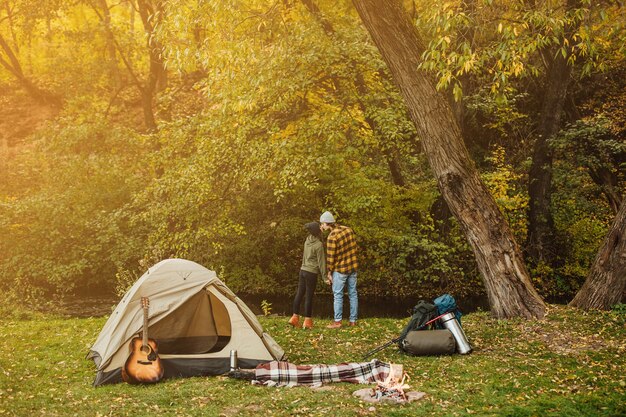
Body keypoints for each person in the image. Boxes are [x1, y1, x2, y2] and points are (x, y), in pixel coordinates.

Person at [319, 211, 358, 328]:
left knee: (338, 295)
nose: (321, 226)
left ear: (327, 224)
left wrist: (329, 273)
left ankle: (337, 322)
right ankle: (353, 321)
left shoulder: (332, 237)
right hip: (353, 267)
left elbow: (330, 258)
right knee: (353, 293)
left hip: (340, 270)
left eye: (322, 224)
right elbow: (355, 247)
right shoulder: (348, 229)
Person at [288, 222, 326, 329]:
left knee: (299, 294)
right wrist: (325, 277)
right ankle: (307, 321)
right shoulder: (318, 245)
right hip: (311, 273)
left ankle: (294, 318)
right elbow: (321, 263)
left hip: (303, 270)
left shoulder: (307, 240)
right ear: (317, 231)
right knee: (309, 297)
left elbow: (304, 257)